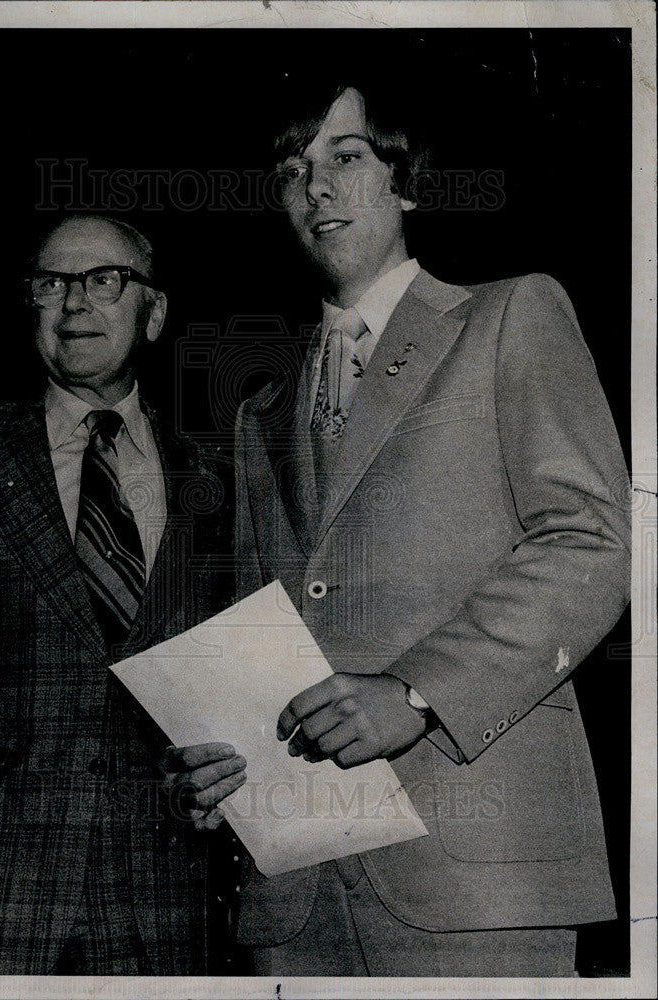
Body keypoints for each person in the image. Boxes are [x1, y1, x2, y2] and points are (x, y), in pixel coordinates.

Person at [229, 83, 630, 976]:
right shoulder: (261, 412)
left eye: (347, 158)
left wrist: (415, 694)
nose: (317, 188)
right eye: (294, 171)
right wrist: (218, 757)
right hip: (297, 893)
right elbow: (265, 629)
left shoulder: (511, 315)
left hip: (480, 879)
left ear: (407, 184)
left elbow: (593, 543)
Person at [0, 214, 245, 975]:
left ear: (155, 313)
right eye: (52, 283)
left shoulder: (215, 477)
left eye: (104, 280)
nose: (74, 303)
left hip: (160, 904)